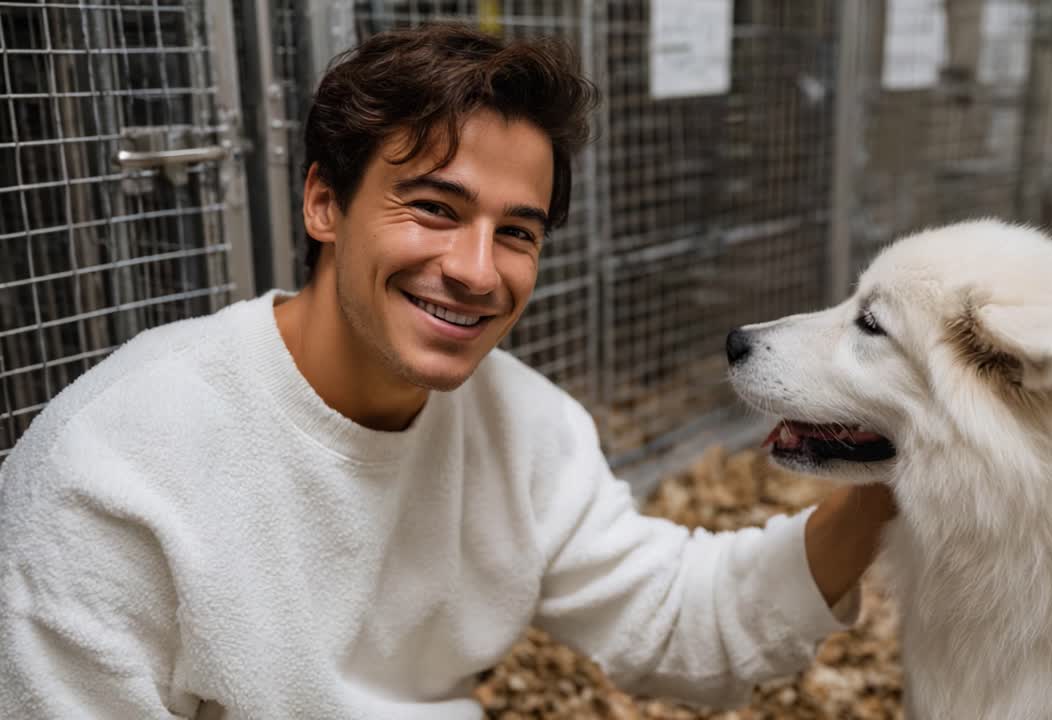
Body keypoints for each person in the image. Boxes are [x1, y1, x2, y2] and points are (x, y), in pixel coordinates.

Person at [0, 24, 896, 719]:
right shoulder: (110, 469)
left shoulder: (527, 429)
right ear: (324, 202)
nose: (477, 269)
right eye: (433, 208)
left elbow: (681, 620)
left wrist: (889, 471)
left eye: (516, 232)